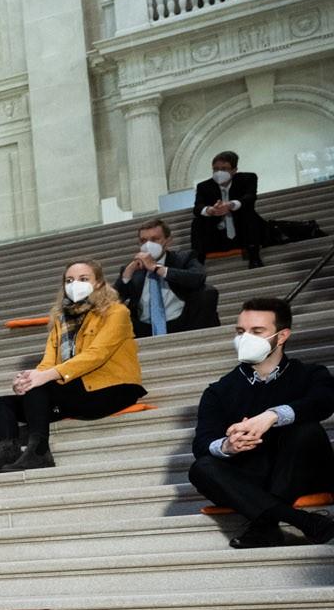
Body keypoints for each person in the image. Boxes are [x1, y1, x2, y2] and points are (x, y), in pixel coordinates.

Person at [188, 297, 334, 549]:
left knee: (305, 430)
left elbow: (324, 401)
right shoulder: (219, 390)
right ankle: (302, 521)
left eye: (257, 331)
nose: (245, 338)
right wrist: (227, 446)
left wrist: (272, 416)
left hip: (301, 469)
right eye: (240, 331)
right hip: (253, 476)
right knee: (201, 467)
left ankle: (263, 523)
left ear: (282, 335)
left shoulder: (310, 373)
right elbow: (202, 442)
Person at [0, 261, 145, 474]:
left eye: (84, 279)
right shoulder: (61, 319)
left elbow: (96, 355)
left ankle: (40, 452)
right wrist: (28, 379)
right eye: (69, 280)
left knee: (40, 387)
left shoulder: (116, 312)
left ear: (99, 283)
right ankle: (8, 453)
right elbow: (48, 361)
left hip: (112, 388)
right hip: (74, 389)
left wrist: (44, 377)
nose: (75, 285)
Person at [116, 217, 215, 336]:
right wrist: (127, 274)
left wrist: (157, 268)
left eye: (154, 239)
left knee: (207, 292)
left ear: (168, 241)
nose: (148, 245)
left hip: (182, 322)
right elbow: (114, 298)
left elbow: (198, 277)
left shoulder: (184, 258)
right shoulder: (132, 268)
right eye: (143, 240)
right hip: (144, 328)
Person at [191, 151, 268, 268]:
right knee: (198, 221)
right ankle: (197, 263)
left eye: (224, 168)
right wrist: (210, 210)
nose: (219, 172)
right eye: (215, 169)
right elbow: (198, 207)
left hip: (242, 230)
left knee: (248, 213)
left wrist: (231, 205)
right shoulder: (204, 186)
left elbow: (250, 197)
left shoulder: (247, 178)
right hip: (218, 233)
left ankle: (254, 256)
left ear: (234, 170)